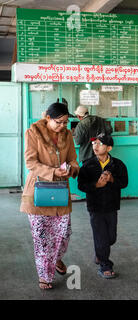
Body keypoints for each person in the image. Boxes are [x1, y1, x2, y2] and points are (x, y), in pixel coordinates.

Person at [20, 102, 80, 290]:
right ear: (48, 118)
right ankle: (45, 276)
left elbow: (72, 158)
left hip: (61, 190)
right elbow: (30, 162)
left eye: (65, 122)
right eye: (59, 122)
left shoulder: (67, 134)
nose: (63, 126)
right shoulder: (32, 133)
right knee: (42, 238)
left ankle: (57, 258)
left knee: (63, 235)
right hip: (39, 190)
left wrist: (72, 168)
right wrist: (53, 172)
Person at [77, 133, 128, 279]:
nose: (95, 146)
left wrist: (112, 179)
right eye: (94, 144)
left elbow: (124, 183)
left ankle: (100, 253)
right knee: (101, 237)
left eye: (100, 144)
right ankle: (105, 265)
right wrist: (96, 185)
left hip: (112, 206)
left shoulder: (118, 165)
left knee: (111, 237)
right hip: (95, 207)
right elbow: (81, 185)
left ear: (109, 147)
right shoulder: (88, 165)